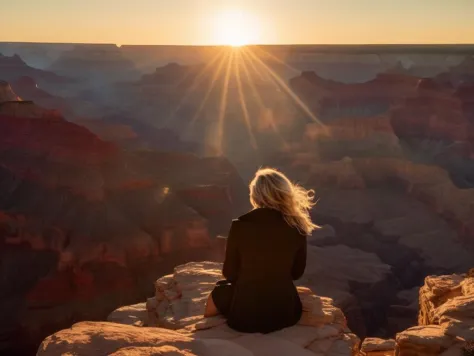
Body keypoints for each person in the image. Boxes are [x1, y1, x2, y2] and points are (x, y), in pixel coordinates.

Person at [204, 167, 319, 333]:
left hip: (244, 318)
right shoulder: (296, 227)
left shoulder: (240, 226)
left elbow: (229, 273)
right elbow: (296, 273)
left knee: (221, 289)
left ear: (255, 194)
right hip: (285, 314)